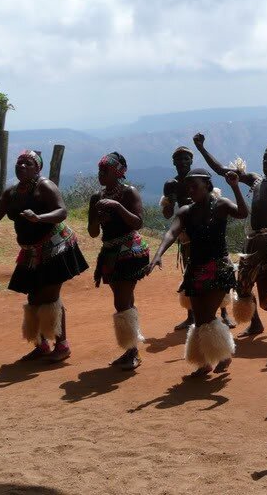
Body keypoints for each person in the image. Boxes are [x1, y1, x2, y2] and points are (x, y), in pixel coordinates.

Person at [0, 150, 88, 362]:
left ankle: (62, 345)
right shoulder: (12, 192)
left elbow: (62, 212)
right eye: (19, 163)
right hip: (30, 251)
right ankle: (42, 344)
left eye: (28, 163)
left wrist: (39, 218)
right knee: (34, 296)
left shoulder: (45, 186)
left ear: (38, 168)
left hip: (55, 246)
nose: (22, 167)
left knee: (50, 296)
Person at [195, 115, 267, 338]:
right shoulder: (255, 180)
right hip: (253, 240)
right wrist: (202, 148)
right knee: (243, 284)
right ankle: (255, 323)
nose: (266, 163)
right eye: (264, 159)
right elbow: (221, 170)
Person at [148, 169, 248, 377]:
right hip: (195, 269)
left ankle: (223, 354)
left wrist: (235, 186)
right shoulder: (186, 211)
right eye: (189, 187)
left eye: (195, 186)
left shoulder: (221, 205)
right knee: (201, 319)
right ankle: (204, 361)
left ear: (207, 186)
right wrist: (158, 254)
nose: (190, 190)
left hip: (219, 268)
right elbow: (171, 232)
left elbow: (243, 213)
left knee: (208, 315)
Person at [88, 152, 149, 370]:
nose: (100, 175)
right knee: (122, 299)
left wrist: (117, 207)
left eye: (105, 171)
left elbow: (138, 223)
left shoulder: (128, 193)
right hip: (110, 252)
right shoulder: (97, 198)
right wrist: (97, 218)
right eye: (99, 171)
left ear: (117, 173)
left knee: (122, 301)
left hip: (130, 251)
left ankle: (132, 351)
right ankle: (131, 347)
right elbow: (93, 232)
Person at [160, 146, 197, 331]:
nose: (182, 162)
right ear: (173, 162)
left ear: (191, 161)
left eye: (186, 159)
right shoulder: (171, 184)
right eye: (179, 159)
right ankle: (191, 316)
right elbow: (167, 214)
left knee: (214, 267)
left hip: (204, 228)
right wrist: (172, 200)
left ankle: (223, 313)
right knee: (189, 271)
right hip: (186, 232)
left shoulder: (200, 178)